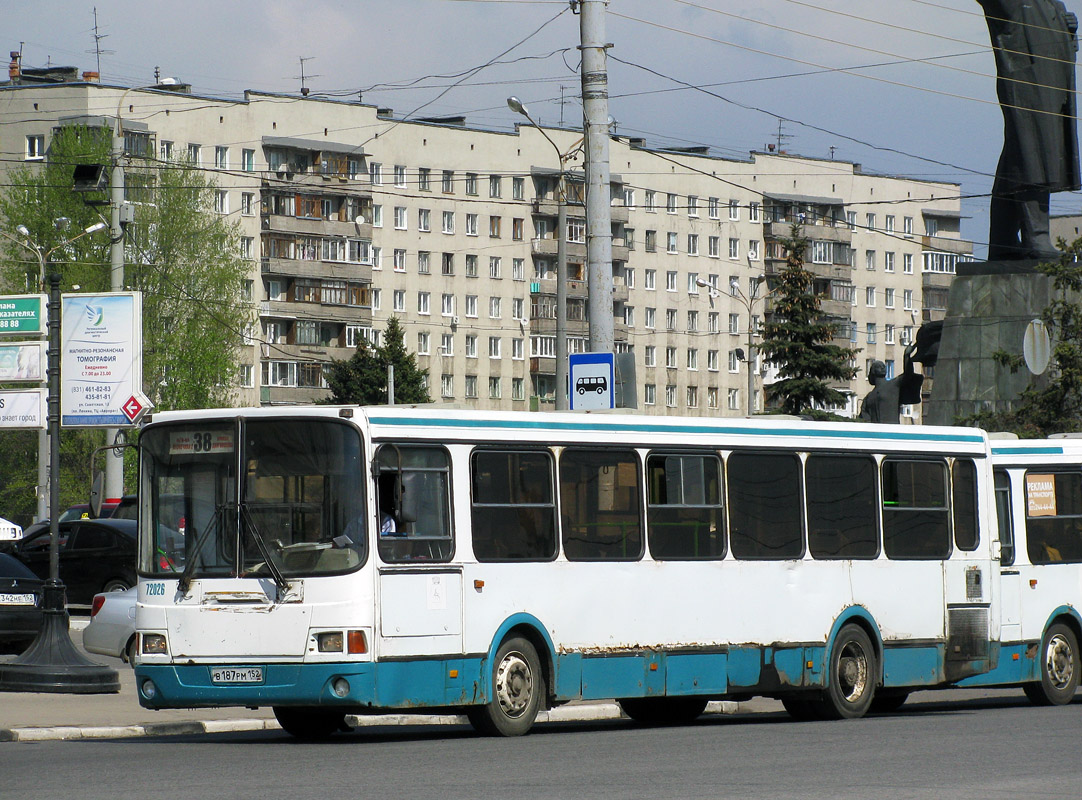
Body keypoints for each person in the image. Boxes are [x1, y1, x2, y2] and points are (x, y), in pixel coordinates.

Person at [977, 0, 1080, 260]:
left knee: (1019, 153)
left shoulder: (1051, 1)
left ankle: (1002, 240)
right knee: (1032, 152)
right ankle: (1036, 236)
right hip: (1026, 81)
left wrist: (1068, 30)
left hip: (1052, 81)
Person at [858, 345, 924, 423]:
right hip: (876, 433)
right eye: (879, 366)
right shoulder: (868, 397)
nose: (883, 367)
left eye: (883, 366)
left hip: (892, 432)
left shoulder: (893, 385)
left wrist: (906, 356)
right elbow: (864, 419)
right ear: (873, 371)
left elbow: (908, 374)